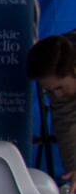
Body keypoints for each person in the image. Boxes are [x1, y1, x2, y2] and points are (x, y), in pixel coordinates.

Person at [27, 32, 76, 171]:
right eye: (49, 91)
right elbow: (67, 125)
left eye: (60, 87)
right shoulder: (59, 70)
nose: (57, 95)